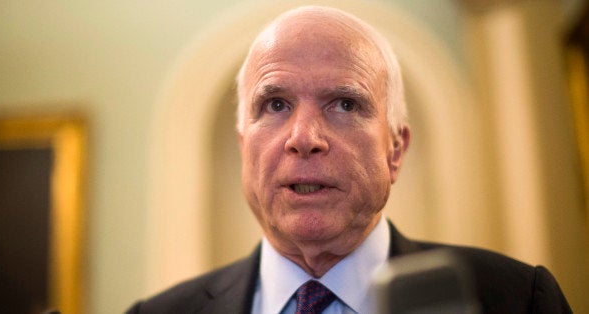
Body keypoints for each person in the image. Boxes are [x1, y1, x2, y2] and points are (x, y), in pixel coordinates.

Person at [127, 5, 571, 313]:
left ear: (394, 150)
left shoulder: (519, 299)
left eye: (344, 104)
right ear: (245, 146)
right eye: (276, 104)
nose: (303, 138)